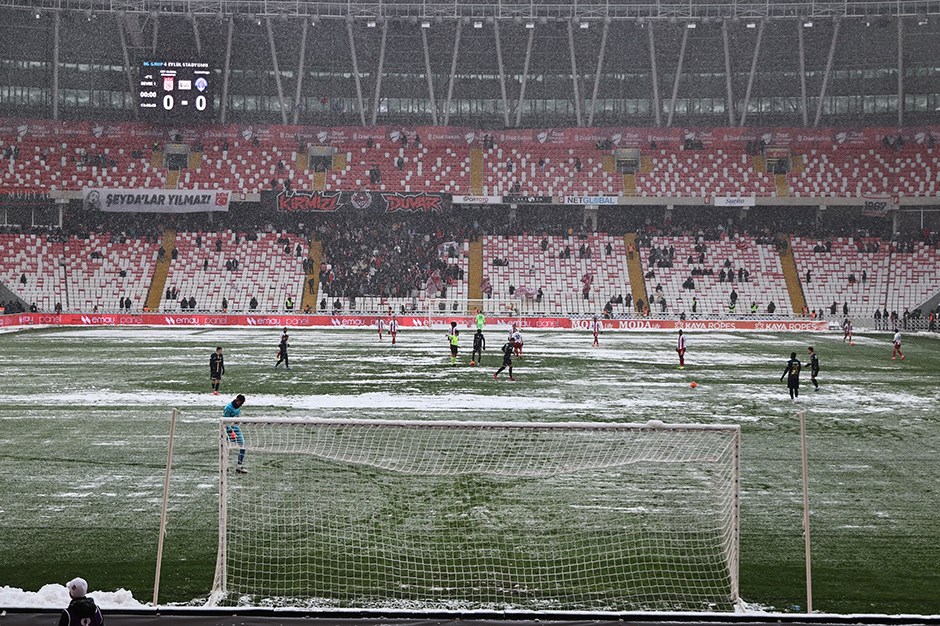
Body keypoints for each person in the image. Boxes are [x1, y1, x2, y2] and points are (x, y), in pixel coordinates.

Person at [223, 394, 248, 474]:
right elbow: (226, 422)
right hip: (228, 431)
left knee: (243, 446)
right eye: (241, 403)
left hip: (236, 429)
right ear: (237, 400)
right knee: (226, 448)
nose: (241, 405)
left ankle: (239, 466)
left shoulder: (238, 408)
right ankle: (225, 466)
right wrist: (230, 431)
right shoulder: (228, 408)